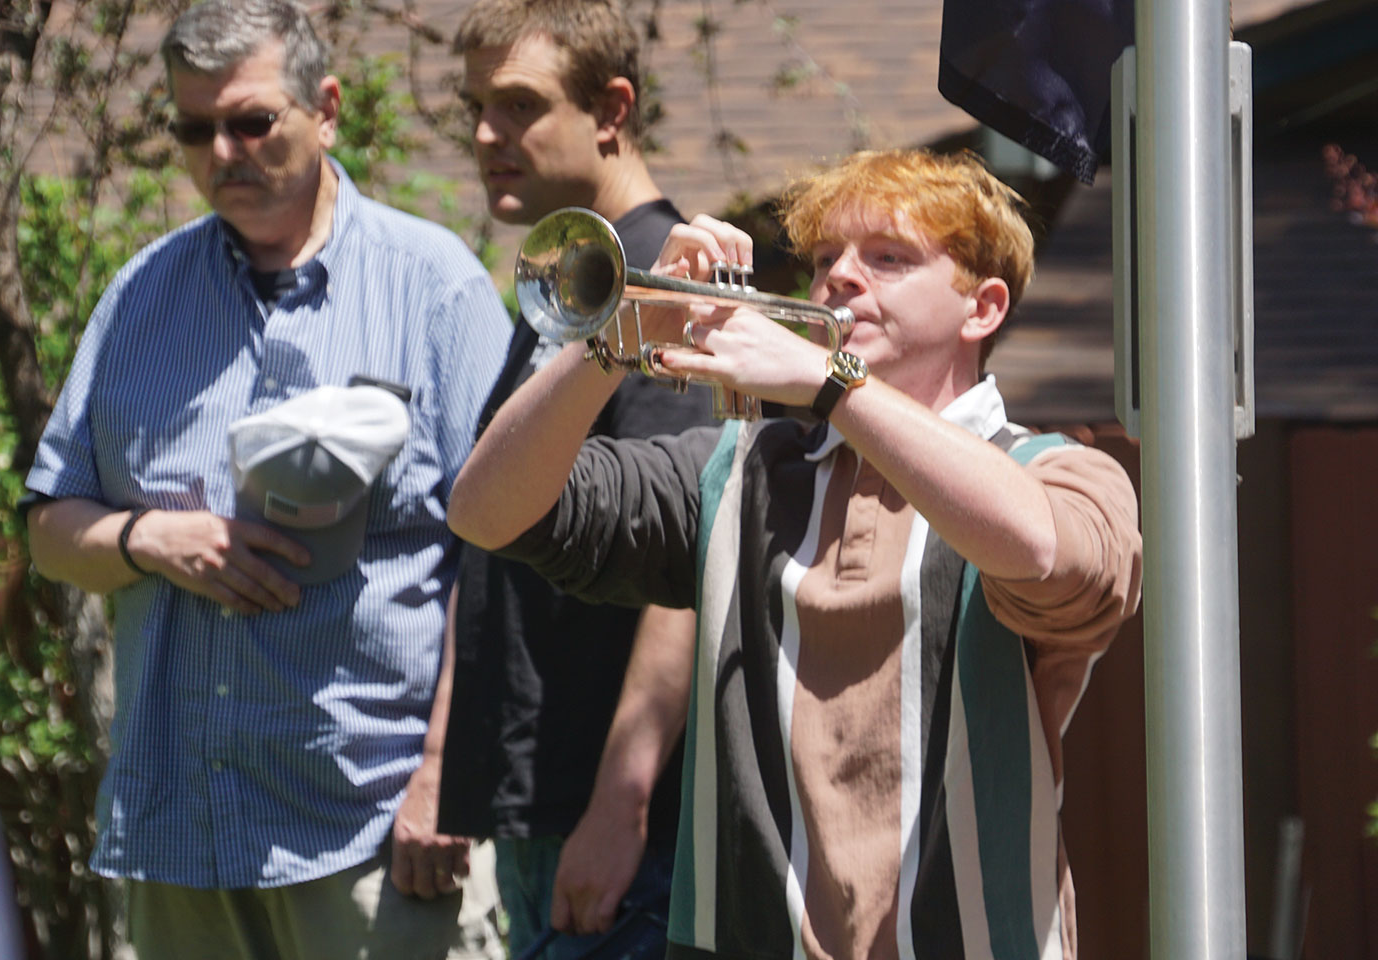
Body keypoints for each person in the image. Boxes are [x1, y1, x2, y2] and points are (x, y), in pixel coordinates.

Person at [445, 148, 1143, 960]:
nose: (840, 276)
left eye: (888, 258)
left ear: (982, 308)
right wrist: (613, 339)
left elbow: (1043, 551)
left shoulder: (1056, 472)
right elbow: (485, 513)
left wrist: (832, 383)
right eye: (824, 259)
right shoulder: (738, 468)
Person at [21, 1, 511, 956]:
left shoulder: (432, 287)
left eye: (251, 121)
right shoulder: (141, 296)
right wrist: (145, 539)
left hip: (371, 837)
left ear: (325, 109)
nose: (223, 153)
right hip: (181, 838)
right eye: (193, 129)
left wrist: (444, 778)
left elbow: (504, 558)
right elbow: (49, 529)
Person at [397, 0, 711, 956]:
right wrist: (444, 761)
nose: (486, 135)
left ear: (612, 109)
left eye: (520, 105)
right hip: (537, 814)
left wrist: (622, 803)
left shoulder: (664, 283)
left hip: (617, 836)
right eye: (476, 108)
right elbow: (491, 534)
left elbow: (695, 552)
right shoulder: (576, 281)